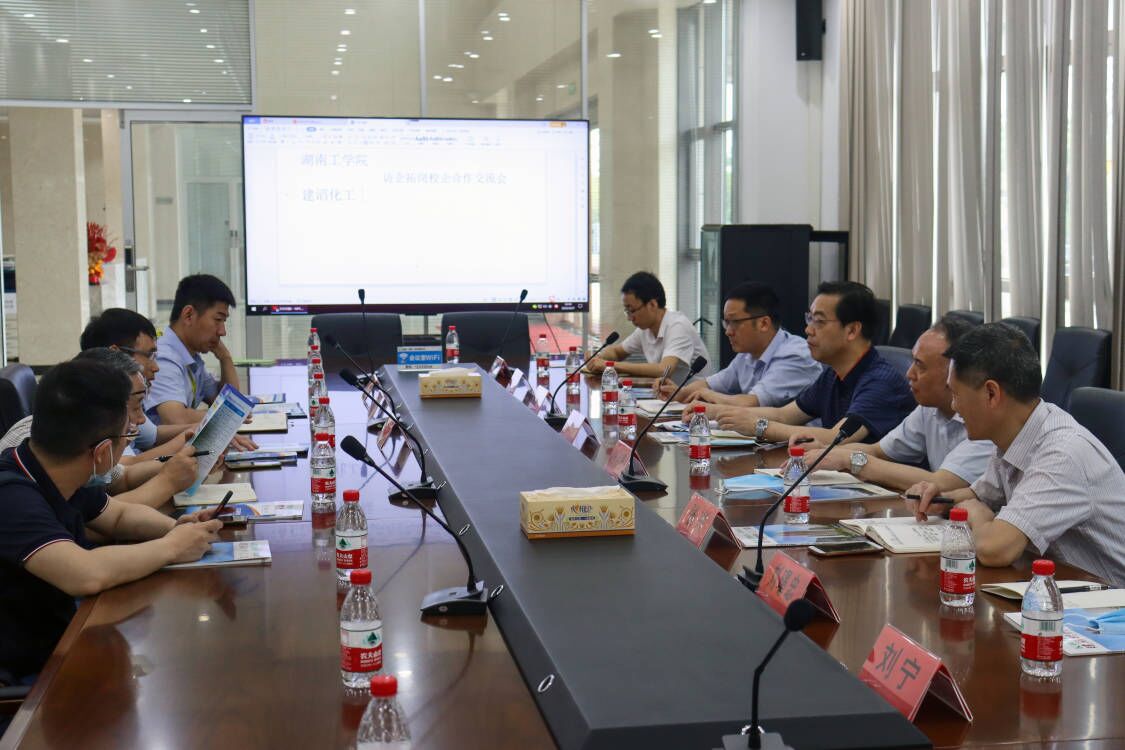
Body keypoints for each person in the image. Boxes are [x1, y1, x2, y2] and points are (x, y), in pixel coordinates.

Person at [0, 359, 222, 685]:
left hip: (61, 639)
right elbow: (85, 574)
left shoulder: (50, 466)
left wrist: (178, 528)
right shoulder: (11, 495)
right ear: (102, 452)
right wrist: (173, 547)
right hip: (25, 678)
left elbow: (117, 516)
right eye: (127, 434)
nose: (129, 439)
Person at [909, 323, 1125, 586]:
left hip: (1111, 602)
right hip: (1060, 589)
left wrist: (976, 513)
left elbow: (995, 549)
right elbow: (981, 495)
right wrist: (940, 498)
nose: (954, 406)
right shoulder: (1013, 434)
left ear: (991, 393)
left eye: (956, 395)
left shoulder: (1062, 453)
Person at [798, 315, 995, 491]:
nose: (909, 373)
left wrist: (850, 460)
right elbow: (878, 451)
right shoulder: (929, 409)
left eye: (920, 365)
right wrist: (825, 451)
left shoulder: (986, 423)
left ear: (953, 373)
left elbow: (940, 483)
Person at [710, 281, 914, 444]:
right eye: (809, 319)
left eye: (819, 321)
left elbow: (836, 437)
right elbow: (783, 415)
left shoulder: (881, 382)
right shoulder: (833, 375)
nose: (808, 329)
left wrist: (759, 426)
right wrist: (718, 413)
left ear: (852, 330)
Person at [658, 281, 821, 407]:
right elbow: (710, 384)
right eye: (726, 323)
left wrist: (707, 395)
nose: (728, 331)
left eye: (734, 322)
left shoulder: (795, 355)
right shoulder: (747, 355)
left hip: (798, 440)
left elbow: (751, 403)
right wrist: (679, 392)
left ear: (764, 323)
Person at [81, 307, 192, 452]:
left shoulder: (125, 400)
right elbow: (125, 466)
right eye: (149, 355)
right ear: (116, 354)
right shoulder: (98, 409)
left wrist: (202, 428)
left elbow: (154, 436)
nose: (156, 367)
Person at [145, 274, 241, 425]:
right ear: (189, 315)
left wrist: (225, 358)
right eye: (218, 320)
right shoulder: (164, 358)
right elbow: (176, 418)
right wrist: (231, 414)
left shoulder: (191, 357)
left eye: (224, 321)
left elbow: (228, 401)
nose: (222, 332)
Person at [586, 271, 710, 379]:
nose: (629, 318)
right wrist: (598, 358)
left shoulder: (678, 326)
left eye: (632, 310)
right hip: (667, 394)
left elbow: (664, 370)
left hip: (694, 396)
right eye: (627, 311)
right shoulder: (645, 330)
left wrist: (611, 366)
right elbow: (617, 352)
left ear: (652, 305)